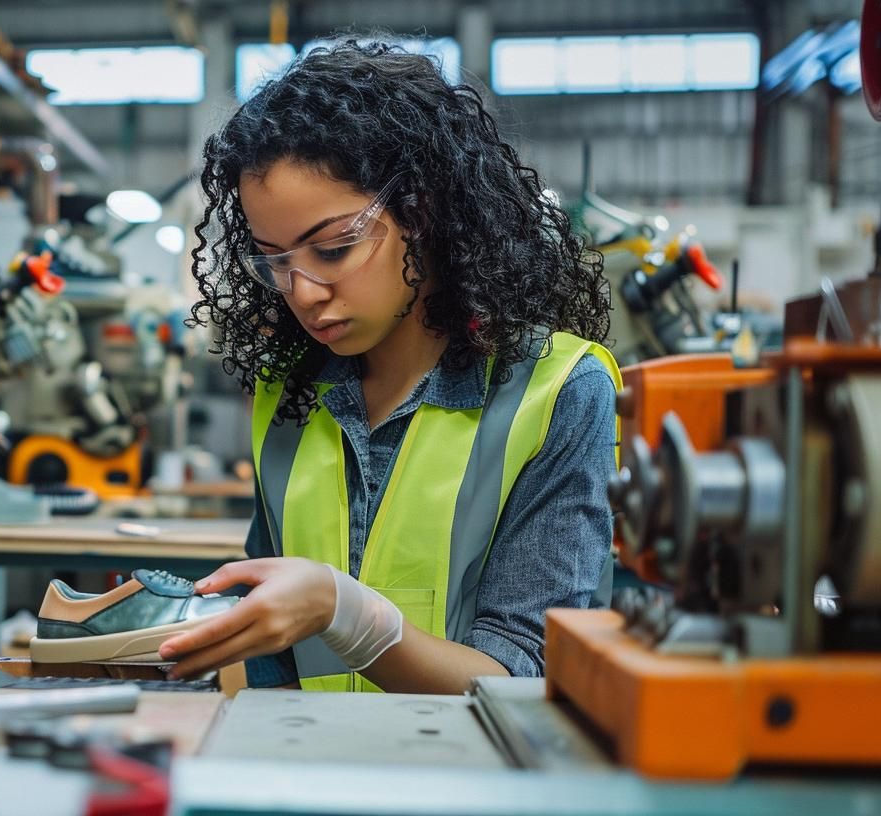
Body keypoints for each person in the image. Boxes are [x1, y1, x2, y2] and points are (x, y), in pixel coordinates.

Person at [157, 40, 621, 694]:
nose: (303, 292)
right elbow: (275, 666)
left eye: (334, 248)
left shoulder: (559, 394)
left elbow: (530, 679)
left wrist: (344, 613)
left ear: (423, 212)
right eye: (274, 260)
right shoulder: (289, 396)